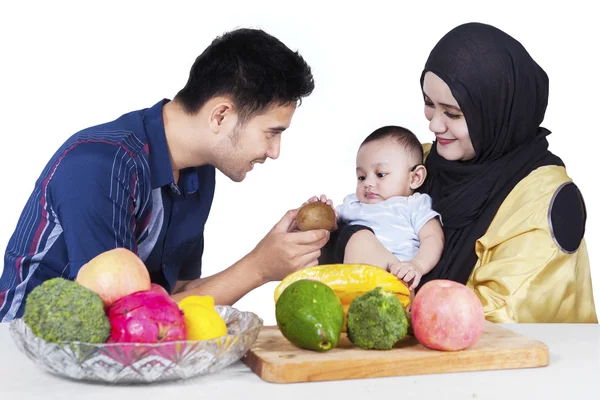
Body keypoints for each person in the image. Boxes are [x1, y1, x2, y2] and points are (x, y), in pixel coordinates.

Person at [0, 28, 329, 322]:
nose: (275, 151)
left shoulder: (197, 172)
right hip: (25, 354)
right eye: (271, 132)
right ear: (220, 116)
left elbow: (176, 296)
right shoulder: (100, 164)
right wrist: (258, 267)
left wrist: (273, 257)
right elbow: (122, 318)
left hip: (108, 361)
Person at [327, 22, 598, 323]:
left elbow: (498, 319)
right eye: (429, 104)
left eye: (453, 113)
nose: (434, 125)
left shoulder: (547, 200)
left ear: (495, 111)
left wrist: (381, 283)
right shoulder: (427, 162)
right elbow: (366, 221)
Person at [323, 125, 444, 290]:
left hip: (397, 282)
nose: (368, 184)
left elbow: (433, 238)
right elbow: (331, 228)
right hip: (353, 282)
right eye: (362, 177)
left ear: (415, 178)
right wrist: (323, 210)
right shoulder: (353, 204)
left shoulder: (413, 205)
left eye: (381, 174)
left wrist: (417, 265)